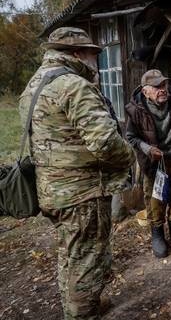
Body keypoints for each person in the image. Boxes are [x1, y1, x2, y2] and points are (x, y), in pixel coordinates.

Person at [19, 27, 135, 319]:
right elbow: (106, 142)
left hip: (52, 192)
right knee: (88, 263)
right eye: (91, 54)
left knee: (70, 255)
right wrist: (131, 155)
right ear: (75, 53)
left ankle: (80, 306)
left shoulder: (33, 86)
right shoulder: (72, 85)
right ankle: (83, 313)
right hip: (82, 193)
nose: (95, 60)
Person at [125, 69, 171, 257]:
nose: (163, 90)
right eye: (157, 87)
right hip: (154, 163)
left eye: (164, 85)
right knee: (155, 199)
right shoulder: (136, 109)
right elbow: (130, 137)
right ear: (145, 91)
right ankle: (157, 234)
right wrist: (148, 149)